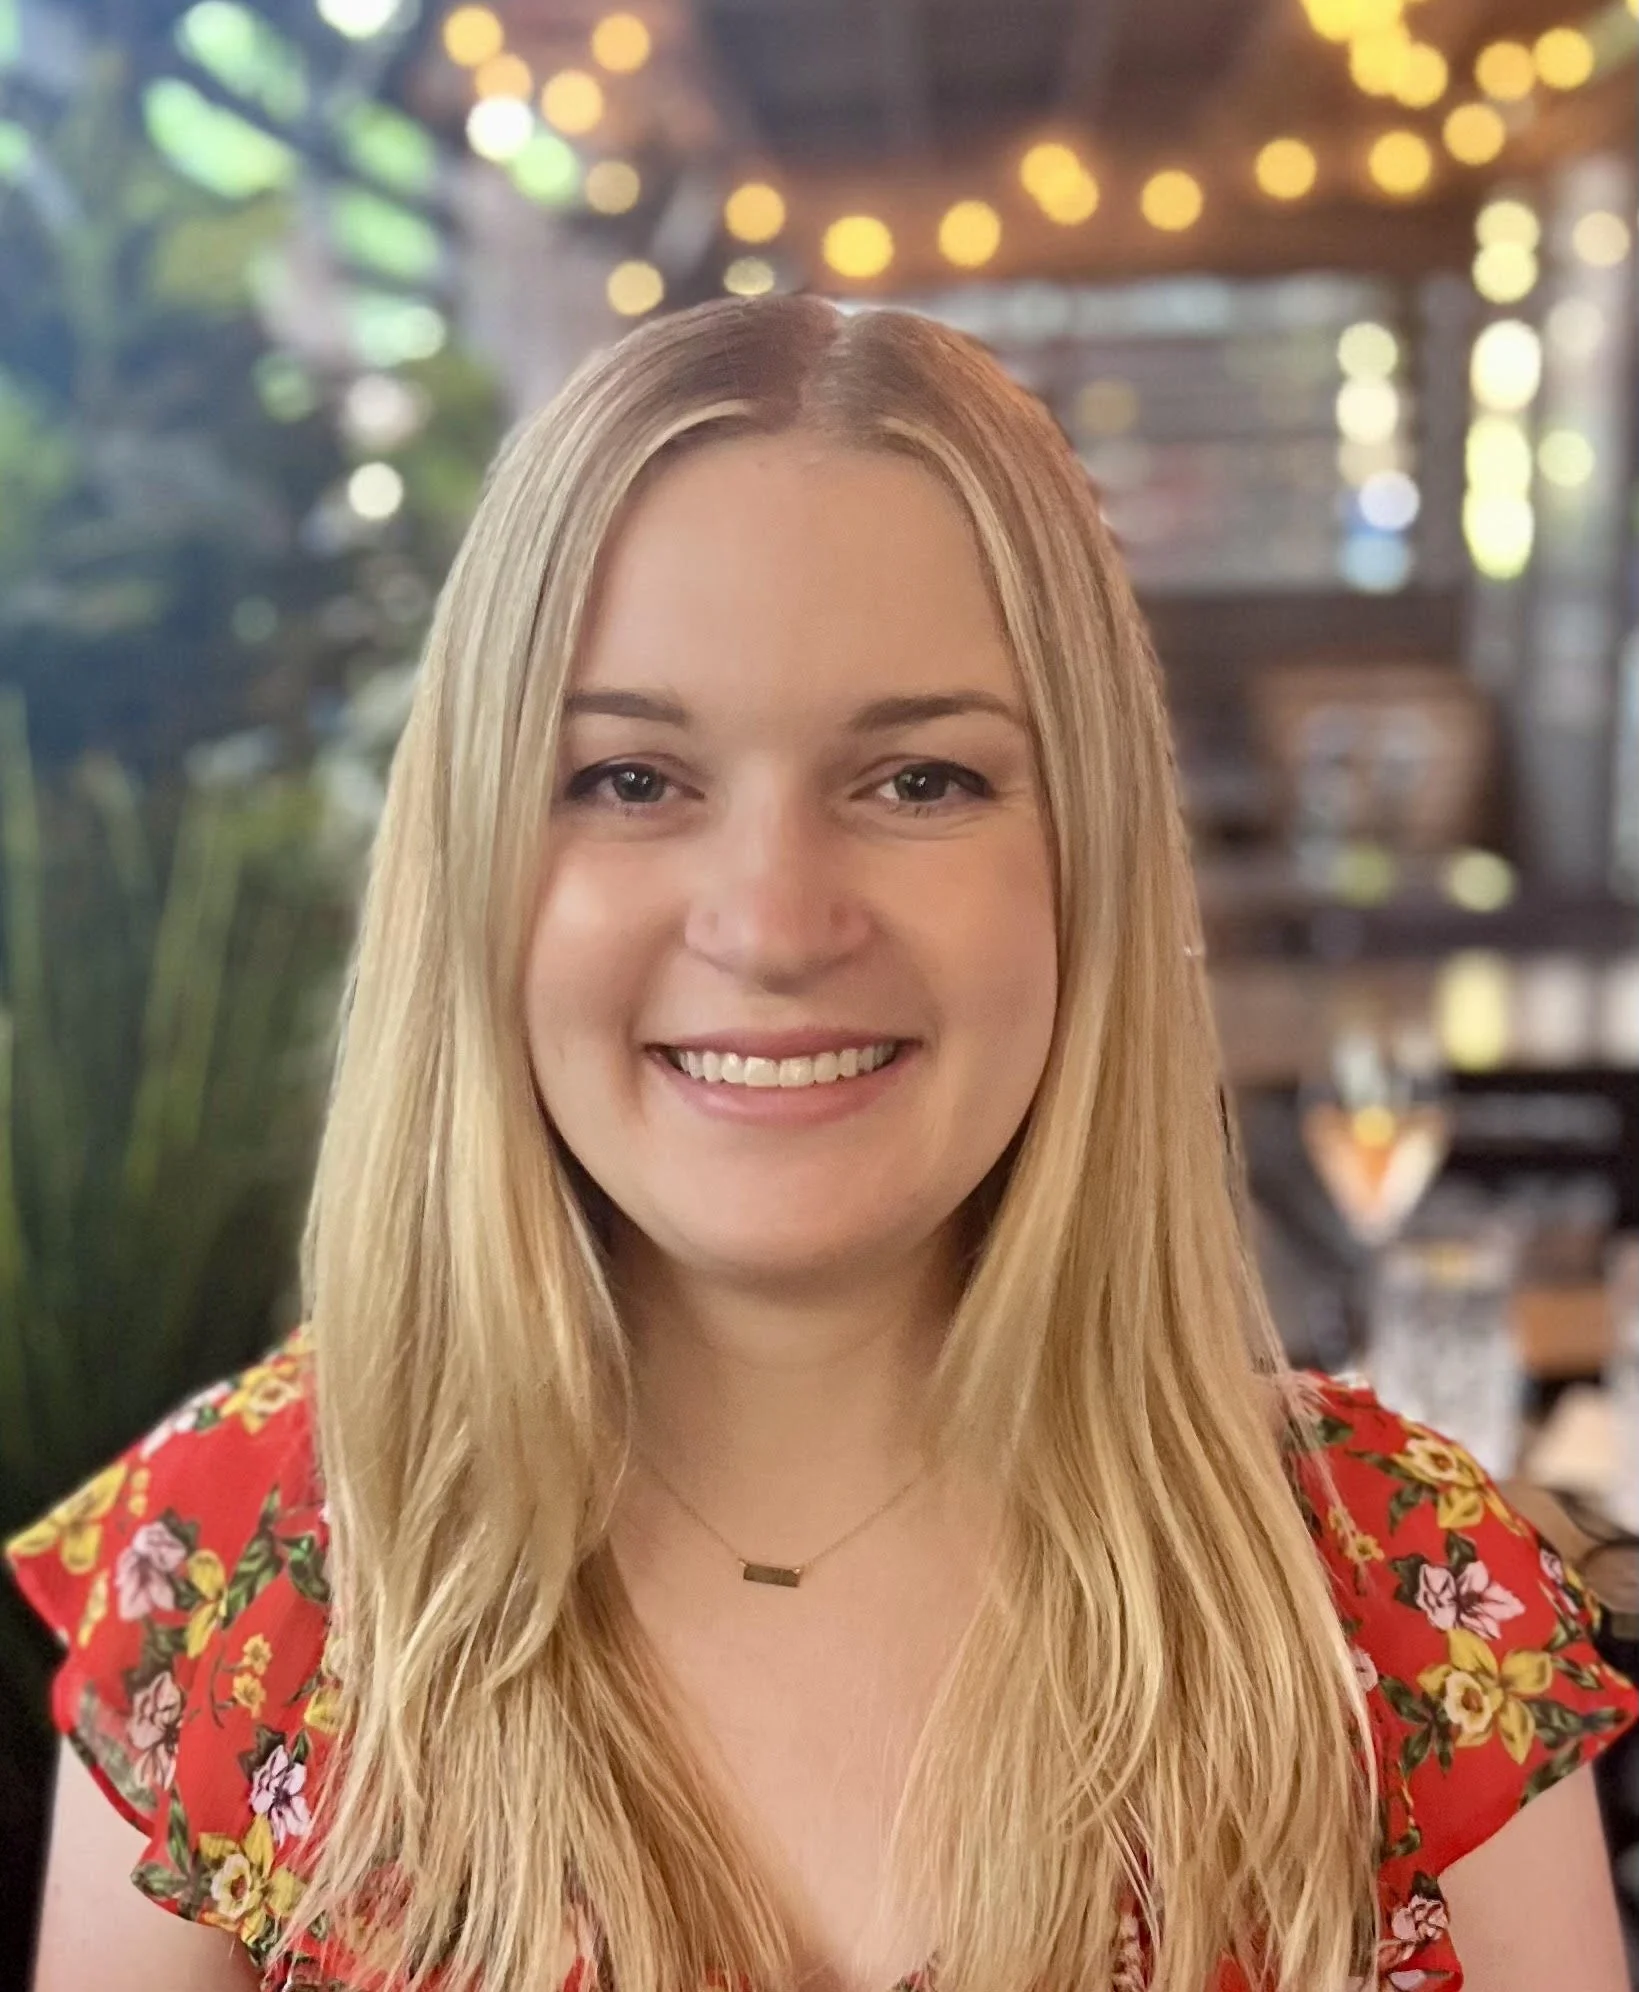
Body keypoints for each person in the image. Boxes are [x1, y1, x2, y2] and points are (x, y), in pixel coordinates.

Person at [8, 294, 1636, 1992]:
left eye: (919, 780)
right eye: (630, 779)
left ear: (1088, 858)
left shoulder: (1398, 1598)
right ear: (474, 857)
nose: (774, 924)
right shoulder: (229, 1576)